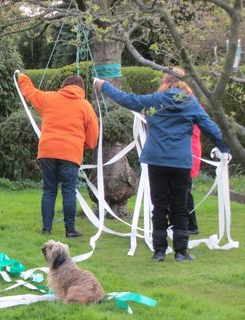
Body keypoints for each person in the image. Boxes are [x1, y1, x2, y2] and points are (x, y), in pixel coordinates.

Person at [94, 68, 229, 262]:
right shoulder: (190, 103)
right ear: (185, 84)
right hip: (181, 160)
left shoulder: (154, 101)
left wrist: (103, 85)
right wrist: (225, 148)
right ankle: (181, 251)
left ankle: (159, 251)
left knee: (158, 205)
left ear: (165, 81)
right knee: (179, 205)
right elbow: (211, 128)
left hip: (156, 160)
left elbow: (126, 99)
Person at [18, 73, 99, 238]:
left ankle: (46, 229)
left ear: (64, 86)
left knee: (49, 190)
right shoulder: (85, 105)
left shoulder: (49, 98)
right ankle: (70, 230)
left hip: (47, 151)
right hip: (70, 153)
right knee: (69, 191)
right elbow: (93, 135)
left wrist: (22, 77)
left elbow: (30, 93)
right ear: (81, 89)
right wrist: (84, 145)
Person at [187, 124, 201, 234]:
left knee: (185, 192)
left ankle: (192, 225)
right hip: (187, 153)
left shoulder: (193, 110)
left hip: (189, 154)